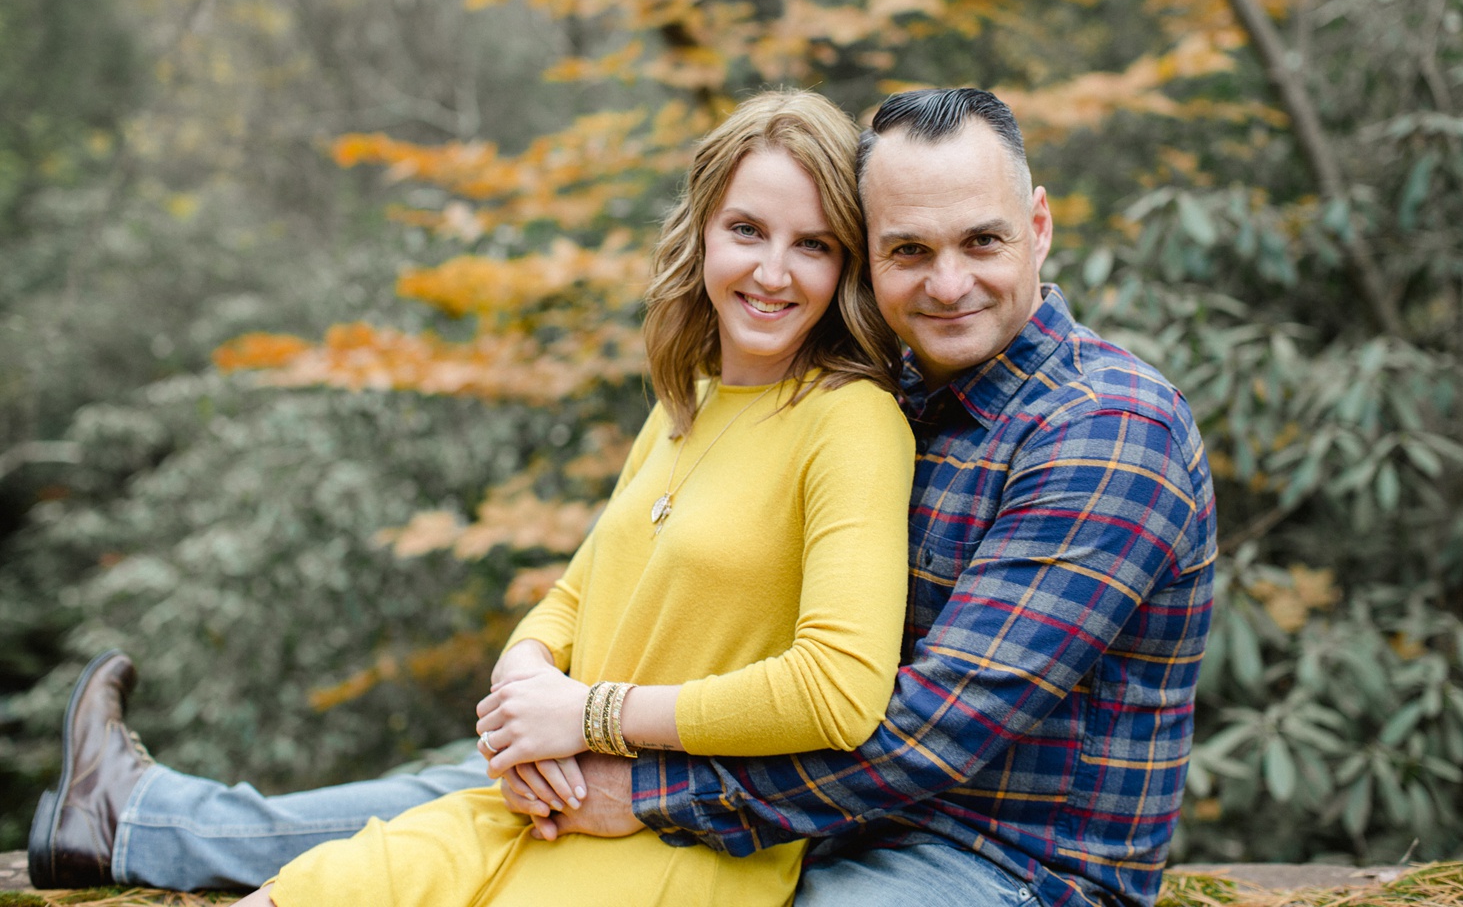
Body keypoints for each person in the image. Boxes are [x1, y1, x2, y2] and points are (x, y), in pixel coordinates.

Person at [31, 88, 1216, 907]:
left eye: (983, 242)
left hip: (999, 859)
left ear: (1042, 226)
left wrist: (645, 780)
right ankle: (136, 818)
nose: (947, 282)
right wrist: (536, 692)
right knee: (481, 791)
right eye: (908, 251)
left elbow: (923, 735)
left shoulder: (1104, 432)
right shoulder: (881, 382)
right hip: (834, 794)